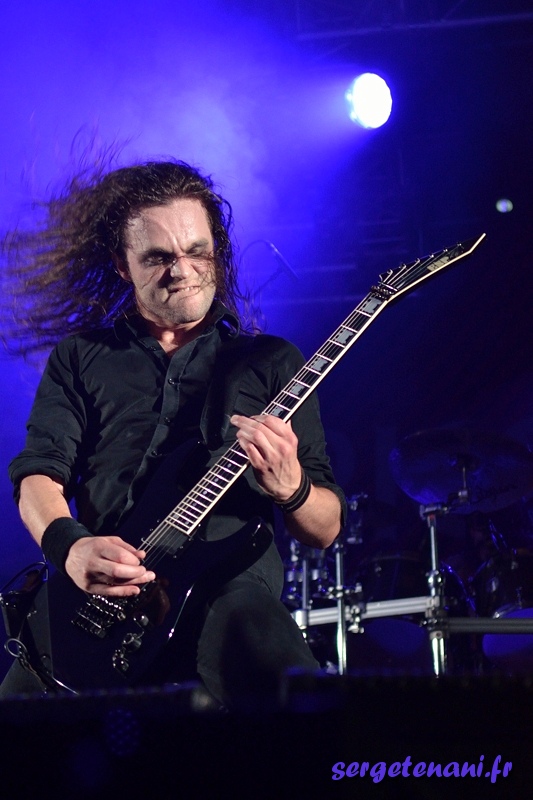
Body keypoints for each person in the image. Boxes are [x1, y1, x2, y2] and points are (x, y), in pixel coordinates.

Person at [0, 158, 345, 708]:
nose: (181, 270)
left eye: (197, 251)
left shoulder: (272, 362)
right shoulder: (82, 356)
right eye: (158, 257)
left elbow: (325, 528)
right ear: (123, 265)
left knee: (299, 707)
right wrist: (71, 547)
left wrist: (293, 488)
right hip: (98, 600)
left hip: (227, 591)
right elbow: (39, 474)